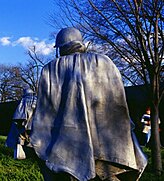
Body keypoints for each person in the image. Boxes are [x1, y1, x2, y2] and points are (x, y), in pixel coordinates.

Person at [30, 28, 147, 180]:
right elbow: (118, 103)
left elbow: (46, 111)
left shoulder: (51, 69)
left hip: (66, 144)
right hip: (106, 141)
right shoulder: (104, 62)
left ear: (60, 47)